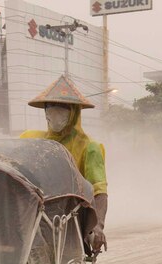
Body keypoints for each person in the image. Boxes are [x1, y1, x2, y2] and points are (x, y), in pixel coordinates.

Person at [20, 75, 108, 252]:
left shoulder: (90, 147)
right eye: (50, 107)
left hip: (69, 222)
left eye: (62, 108)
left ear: (74, 112)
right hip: (33, 217)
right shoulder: (31, 139)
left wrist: (98, 226)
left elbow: (100, 192)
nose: (54, 112)